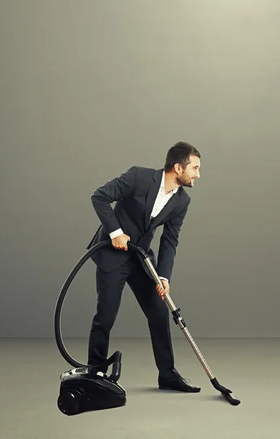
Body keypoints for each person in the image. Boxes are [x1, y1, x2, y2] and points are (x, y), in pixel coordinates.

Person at [86, 141, 202, 392]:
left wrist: (164, 276)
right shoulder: (139, 177)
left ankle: (167, 375)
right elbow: (100, 197)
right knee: (106, 315)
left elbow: (170, 240)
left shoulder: (182, 201)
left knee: (160, 313)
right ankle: (95, 372)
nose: (198, 174)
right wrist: (115, 232)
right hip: (112, 254)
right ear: (177, 168)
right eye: (194, 168)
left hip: (141, 259)